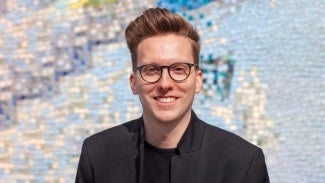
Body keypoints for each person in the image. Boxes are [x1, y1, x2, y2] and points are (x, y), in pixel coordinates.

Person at [75, 7, 269, 183]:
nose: (165, 84)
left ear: (198, 80)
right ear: (134, 83)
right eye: (151, 70)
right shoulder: (98, 156)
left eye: (178, 69)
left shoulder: (242, 163)